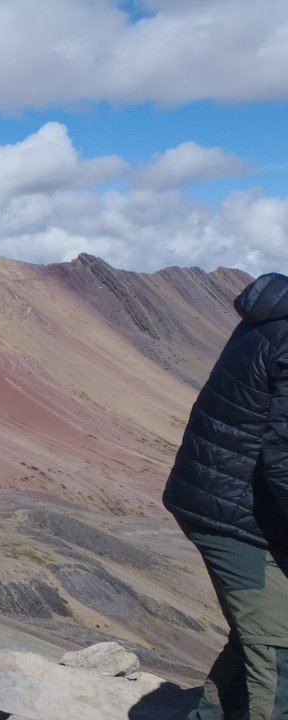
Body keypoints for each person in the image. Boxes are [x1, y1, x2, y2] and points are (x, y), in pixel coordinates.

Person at [166, 271, 288, 720]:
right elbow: (284, 457)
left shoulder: (276, 318)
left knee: (261, 626)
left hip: (239, 501)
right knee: (280, 643)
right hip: (232, 511)